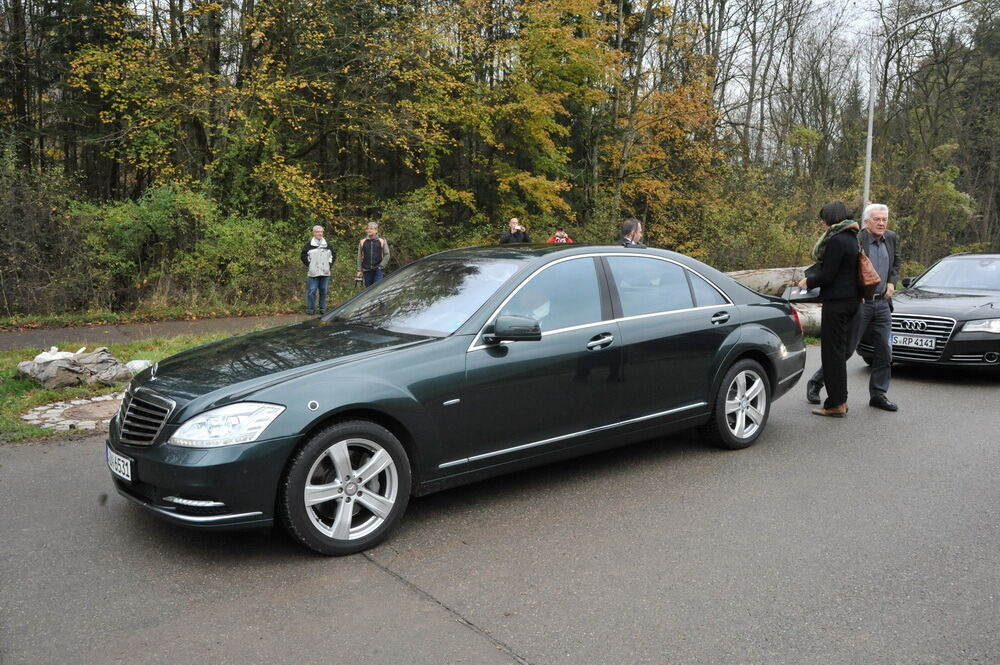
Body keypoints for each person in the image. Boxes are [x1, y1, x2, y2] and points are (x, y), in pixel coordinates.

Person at [805, 203, 901, 411]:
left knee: (884, 351)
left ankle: (878, 395)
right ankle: (817, 382)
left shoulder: (891, 238)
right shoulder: (857, 239)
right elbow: (844, 270)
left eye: (884, 219)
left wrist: (892, 282)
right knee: (844, 350)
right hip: (861, 302)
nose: (882, 223)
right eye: (877, 219)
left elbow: (895, 264)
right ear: (866, 222)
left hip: (882, 303)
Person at [797, 201, 861, 418]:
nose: (822, 223)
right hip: (852, 301)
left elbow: (828, 275)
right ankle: (841, 399)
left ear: (831, 218)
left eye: (823, 219)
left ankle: (835, 404)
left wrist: (808, 282)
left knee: (832, 356)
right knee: (838, 354)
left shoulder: (836, 240)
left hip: (837, 303)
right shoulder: (853, 237)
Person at [301, 225, 335, 315]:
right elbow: (303, 256)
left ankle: (323, 310)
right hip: (313, 273)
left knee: (323, 291)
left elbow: (333, 256)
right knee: (312, 291)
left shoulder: (328, 245)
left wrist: (329, 265)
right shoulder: (308, 245)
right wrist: (310, 265)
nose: (320, 233)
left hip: (325, 272)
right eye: (317, 232)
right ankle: (310, 310)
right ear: (314, 233)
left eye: (321, 232)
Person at [356, 222, 390, 287]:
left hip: (378, 269)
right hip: (366, 269)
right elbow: (359, 257)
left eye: (371, 229)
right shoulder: (362, 241)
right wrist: (359, 270)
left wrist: (381, 266)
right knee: (368, 289)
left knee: (377, 287)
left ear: (376, 230)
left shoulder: (382, 240)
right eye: (368, 228)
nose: (369, 230)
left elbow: (387, 254)